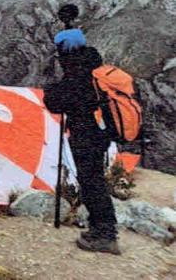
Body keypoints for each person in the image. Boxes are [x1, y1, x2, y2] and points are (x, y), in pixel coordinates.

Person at [43, 30, 120, 254]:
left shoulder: (77, 73)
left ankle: (105, 234)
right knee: (94, 180)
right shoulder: (93, 66)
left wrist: (51, 87)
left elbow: (55, 103)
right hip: (100, 135)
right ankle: (98, 229)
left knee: (91, 182)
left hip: (86, 136)